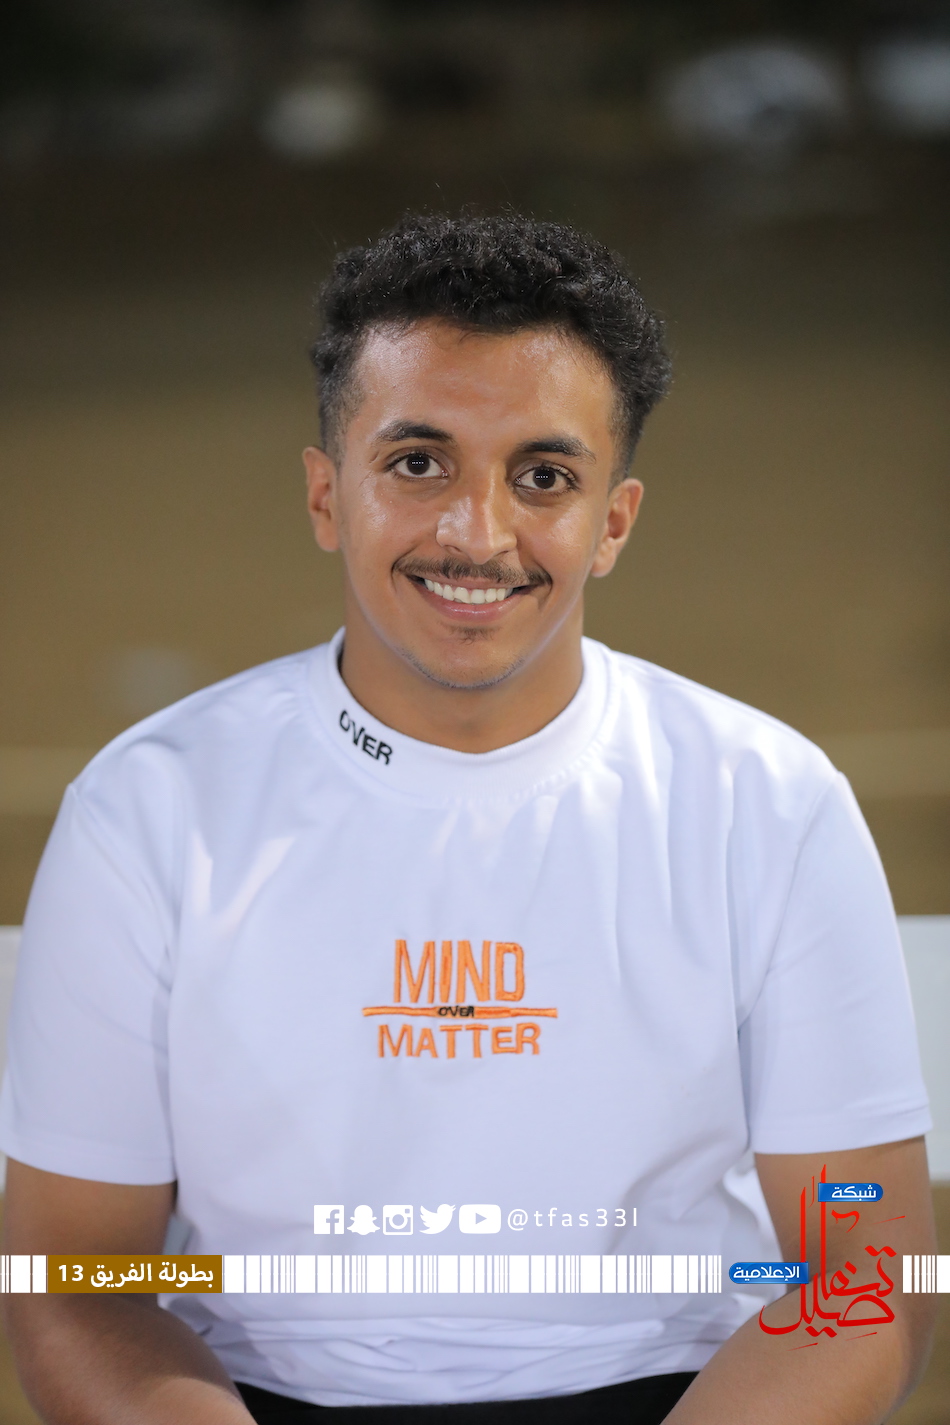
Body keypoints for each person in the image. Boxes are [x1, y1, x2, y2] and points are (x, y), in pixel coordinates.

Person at [0, 214, 937, 1425]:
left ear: (612, 522)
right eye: (417, 463)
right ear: (327, 495)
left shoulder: (765, 802)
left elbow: (861, 1266)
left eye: (542, 477)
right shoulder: (148, 810)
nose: (475, 534)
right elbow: (77, 1273)